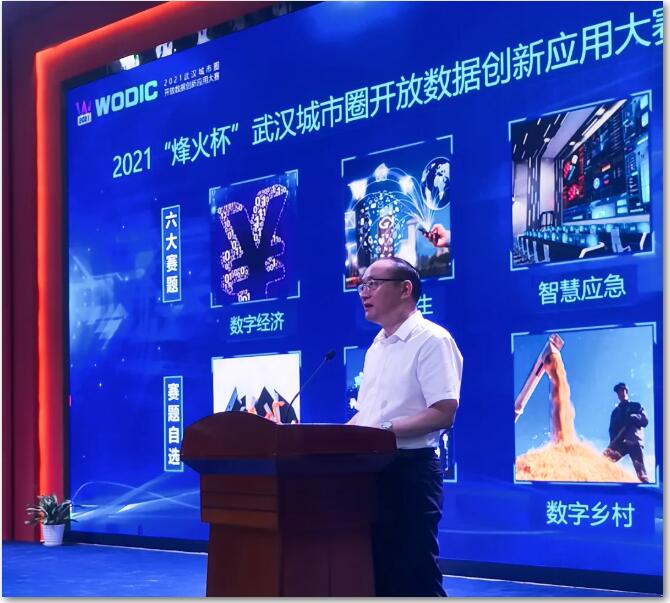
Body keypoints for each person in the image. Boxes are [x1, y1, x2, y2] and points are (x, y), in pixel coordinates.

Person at [347, 257, 463, 597]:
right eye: (362, 285)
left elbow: (443, 412)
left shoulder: (432, 340)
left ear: (405, 289)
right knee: (378, 575)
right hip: (371, 473)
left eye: (372, 284)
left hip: (410, 472)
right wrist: (334, 435)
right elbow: (367, 414)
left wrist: (381, 430)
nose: (363, 292)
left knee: (414, 575)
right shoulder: (377, 347)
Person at [603, 382, 649, 483]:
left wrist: (634, 417)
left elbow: (645, 421)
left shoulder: (636, 406)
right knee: (604, 461)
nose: (620, 394)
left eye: (622, 391)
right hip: (620, 443)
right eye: (618, 392)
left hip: (634, 441)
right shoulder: (615, 412)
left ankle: (646, 490)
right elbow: (612, 430)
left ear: (626, 391)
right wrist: (612, 445)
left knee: (641, 474)